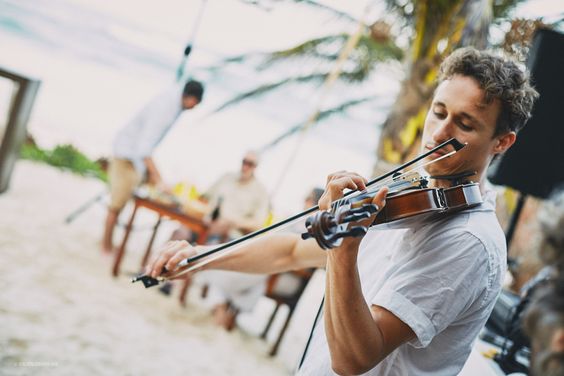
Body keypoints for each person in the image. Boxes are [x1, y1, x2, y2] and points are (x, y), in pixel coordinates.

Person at [147, 47, 538, 375]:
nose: (438, 134)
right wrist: (202, 258)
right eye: (439, 112)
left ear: (501, 142)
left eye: (464, 124)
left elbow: (355, 358)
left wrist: (344, 246)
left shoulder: (467, 241)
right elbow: (291, 251)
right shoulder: (410, 197)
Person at [169, 150, 271, 330]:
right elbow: (204, 197)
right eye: (244, 161)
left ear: (256, 167)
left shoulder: (260, 192)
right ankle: (164, 278)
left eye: (250, 164)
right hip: (206, 225)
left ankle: (183, 294)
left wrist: (233, 222)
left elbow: (258, 224)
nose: (246, 166)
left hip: (229, 235)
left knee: (205, 251)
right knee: (180, 233)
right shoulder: (226, 178)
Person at [102, 80, 204, 253]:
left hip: (133, 158)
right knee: (117, 204)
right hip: (126, 155)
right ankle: (105, 246)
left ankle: (110, 244)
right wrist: (159, 180)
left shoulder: (175, 100)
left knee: (122, 202)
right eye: (196, 103)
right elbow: (144, 150)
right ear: (191, 98)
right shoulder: (165, 109)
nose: (194, 108)